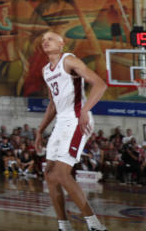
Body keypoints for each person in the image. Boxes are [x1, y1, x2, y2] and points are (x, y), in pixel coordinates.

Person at [34, 31, 108, 231]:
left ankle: (94, 225)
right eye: (43, 40)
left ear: (61, 43)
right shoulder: (46, 70)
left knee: (61, 173)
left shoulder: (69, 61)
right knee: (49, 174)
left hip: (77, 120)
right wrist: (40, 130)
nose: (45, 42)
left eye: (50, 38)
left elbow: (100, 85)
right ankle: (63, 226)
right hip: (61, 122)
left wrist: (85, 110)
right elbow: (53, 104)